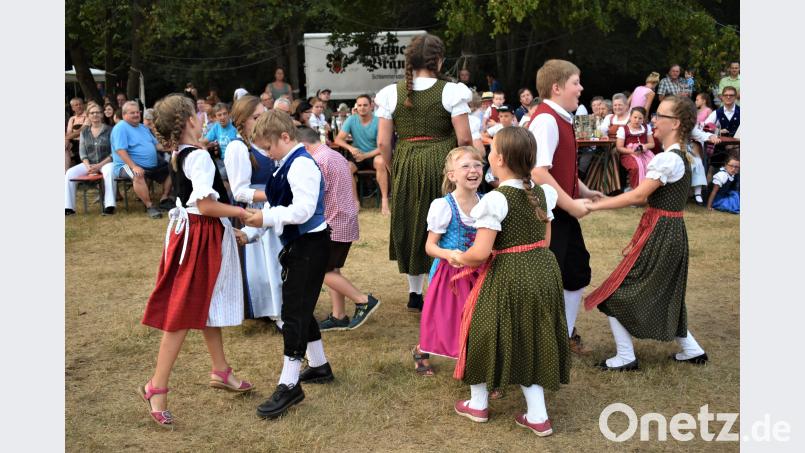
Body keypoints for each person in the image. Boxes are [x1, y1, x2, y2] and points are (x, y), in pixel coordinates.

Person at [138, 94, 253, 429]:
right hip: (198, 236)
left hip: (196, 233)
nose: (203, 116)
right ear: (189, 121)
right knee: (183, 311)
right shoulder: (199, 157)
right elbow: (204, 205)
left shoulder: (183, 153)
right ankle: (156, 386)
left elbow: (193, 204)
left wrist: (227, 230)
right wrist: (241, 214)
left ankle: (221, 370)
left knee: (206, 303)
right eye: (198, 113)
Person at [450, 127, 568, 437]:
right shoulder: (543, 192)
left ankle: (478, 403)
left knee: (481, 331)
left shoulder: (496, 200)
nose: (487, 155)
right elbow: (544, 240)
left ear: (499, 159)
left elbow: (480, 253)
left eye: (490, 151)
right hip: (544, 270)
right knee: (534, 336)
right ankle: (538, 414)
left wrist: (458, 257)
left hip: (510, 274)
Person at [583, 95, 709, 371]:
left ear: (674, 123)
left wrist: (596, 206)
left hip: (662, 233)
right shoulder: (681, 155)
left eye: (659, 116)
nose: (654, 120)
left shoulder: (668, 159)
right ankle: (691, 349)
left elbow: (638, 196)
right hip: (671, 231)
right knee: (667, 292)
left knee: (615, 293)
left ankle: (626, 356)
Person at [243, 110, 334, 420]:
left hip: (311, 245)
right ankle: (319, 366)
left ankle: (289, 383)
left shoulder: (302, 165)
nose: (268, 154)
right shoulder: (285, 164)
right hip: (299, 245)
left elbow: (303, 210)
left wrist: (265, 218)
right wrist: (253, 232)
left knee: (292, 313)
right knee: (300, 305)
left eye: (269, 148)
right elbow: (274, 204)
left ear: (285, 137)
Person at [376, 33, 473, 312]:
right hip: (443, 162)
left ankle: (414, 293)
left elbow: (383, 143)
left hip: (406, 160)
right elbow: (464, 139)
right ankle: (442, 287)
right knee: (442, 223)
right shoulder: (452, 92)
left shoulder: (391, 93)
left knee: (411, 221)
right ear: (439, 61)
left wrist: (396, 166)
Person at [528, 59, 603, 356]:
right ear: (557, 88)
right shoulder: (546, 120)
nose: (581, 88)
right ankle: (548, 339)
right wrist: (571, 204)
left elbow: (560, 168)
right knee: (550, 276)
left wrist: (583, 189)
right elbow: (538, 172)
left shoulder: (561, 117)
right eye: (576, 82)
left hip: (560, 209)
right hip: (548, 213)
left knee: (576, 271)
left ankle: (564, 334)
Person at [295, 127, 382, 331]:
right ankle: (338, 315)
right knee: (331, 268)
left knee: (318, 269)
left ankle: (362, 300)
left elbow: (313, 194)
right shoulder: (334, 155)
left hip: (331, 222)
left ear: (304, 146)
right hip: (343, 219)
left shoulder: (317, 161)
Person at [412, 146, 483, 376]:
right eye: (465, 166)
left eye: (477, 165)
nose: (473, 170)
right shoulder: (443, 206)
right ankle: (421, 350)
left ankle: (478, 366)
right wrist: (450, 254)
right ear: (452, 175)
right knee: (445, 320)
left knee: (480, 318)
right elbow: (430, 246)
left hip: (480, 270)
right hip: (450, 274)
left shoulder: (487, 202)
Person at [222, 95, 284, 326]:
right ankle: (272, 311)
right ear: (243, 119)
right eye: (256, 117)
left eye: (263, 115)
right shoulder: (238, 148)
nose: (261, 121)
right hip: (253, 212)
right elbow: (239, 191)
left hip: (273, 208)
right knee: (261, 266)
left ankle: (280, 307)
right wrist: (272, 195)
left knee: (278, 262)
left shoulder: (263, 142)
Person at [110, 101, 174, 219]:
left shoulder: (143, 128)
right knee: (137, 174)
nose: (136, 115)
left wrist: (170, 146)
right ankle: (150, 206)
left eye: (137, 112)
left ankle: (164, 198)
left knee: (172, 168)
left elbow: (156, 145)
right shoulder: (120, 128)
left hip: (151, 165)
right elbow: (120, 150)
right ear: (124, 115)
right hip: (125, 165)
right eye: (132, 113)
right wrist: (134, 166)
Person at [334, 94, 390, 214]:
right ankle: (355, 202)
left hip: (373, 154)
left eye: (365, 105)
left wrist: (365, 155)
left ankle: (385, 201)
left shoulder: (378, 120)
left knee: (380, 161)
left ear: (371, 106)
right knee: (346, 167)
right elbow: (338, 139)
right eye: (359, 105)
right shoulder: (351, 119)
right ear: (356, 106)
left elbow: (383, 145)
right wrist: (350, 148)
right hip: (357, 155)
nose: (362, 108)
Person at [65, 103, 116, 216]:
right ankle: (68, 207)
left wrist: (99, 166)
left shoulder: (110, 130)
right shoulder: (84, 132)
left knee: (109, 171)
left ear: (102, 114)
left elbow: (114, 152)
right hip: (89, 163)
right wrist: (88, 166)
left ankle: (109, 205)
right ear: (88, 116)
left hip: (106, 162)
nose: (95, 115)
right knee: (69, 173)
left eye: (98, 112)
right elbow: (82, 152)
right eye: (92, 113)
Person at [615, 107, 656, 191]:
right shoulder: (623, 129)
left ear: (643, 119)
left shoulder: (646, 127)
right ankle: (635, 190)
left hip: (644, 153)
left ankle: (649, 190)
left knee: (654, 166)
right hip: (628, 154)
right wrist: (632, 151)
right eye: (635, 117)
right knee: (636, 167)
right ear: (630, 117)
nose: (637, 120)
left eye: (640, 118)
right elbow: (619, 147)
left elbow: (652, 144)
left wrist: (645, 146)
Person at [202, 102, 239, 178]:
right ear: (215, 117)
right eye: (219, 115)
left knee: (216, 177)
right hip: (221, 161)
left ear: (229, 114)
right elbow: (203, 142)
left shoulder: (235, 128)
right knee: (206, 171)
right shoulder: (216, 127)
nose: (222, 117)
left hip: (233, 162)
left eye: (225, 114)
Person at [65, 97, 90, 171]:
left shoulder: (88, 116)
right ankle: (65, 173)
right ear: (72, 108)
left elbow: (81, 131)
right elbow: (69, 132)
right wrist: (66, 140)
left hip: (85, 141)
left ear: (83, 105)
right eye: (76, 105)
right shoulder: (72, 119)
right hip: (74, 142)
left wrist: (66, 138)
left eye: (80, 104)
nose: (79, 106)